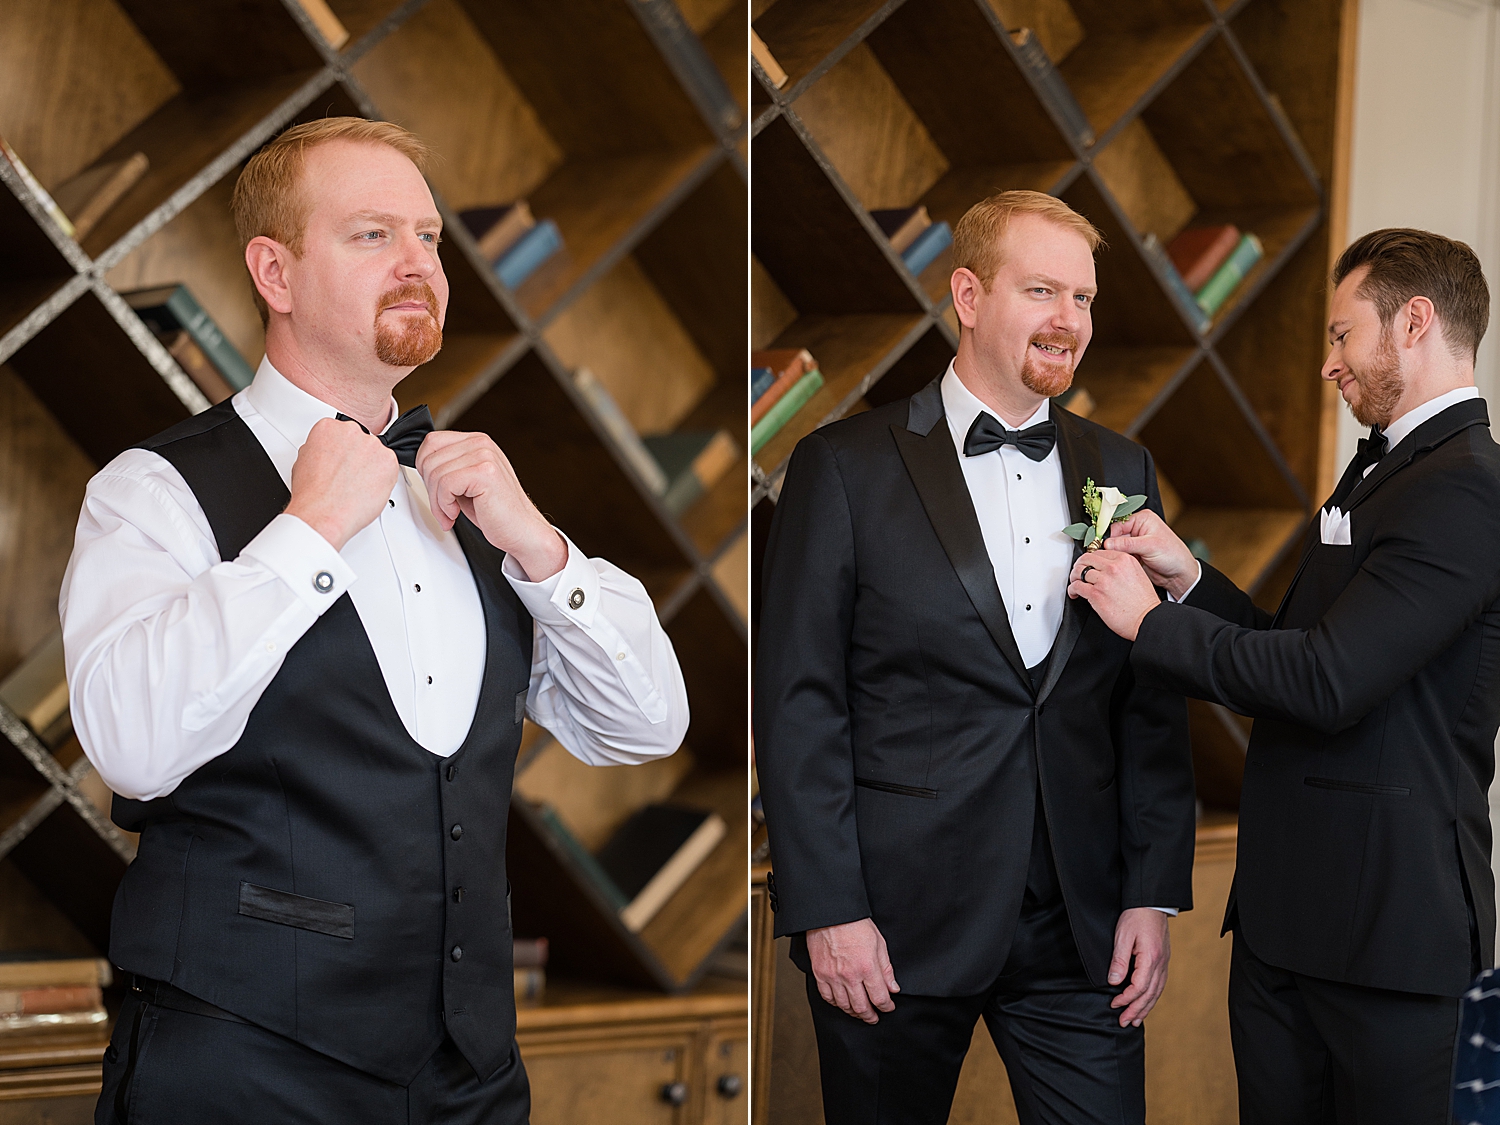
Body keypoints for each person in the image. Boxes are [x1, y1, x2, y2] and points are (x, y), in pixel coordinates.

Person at [62, 117, 689, 1124]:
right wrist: (308, 529)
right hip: (241, 1065)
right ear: (276, 271)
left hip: (470, 1076)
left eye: (431, 238)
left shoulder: (477, 504)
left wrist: (543, 550)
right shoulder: (152, 491)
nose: (419, 264)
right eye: (371, 236)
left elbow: (645, 726)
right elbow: (131, 750)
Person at [754, 190, 1197, 1125]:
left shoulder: (1124, 469)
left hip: (1079, 926)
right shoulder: (840, 466)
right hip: (892, 924)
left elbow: (1146, 701)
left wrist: (1151, 892)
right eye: (1042, 290)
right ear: (967, 293)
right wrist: (828, 910)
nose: (1068, 320)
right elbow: (798, 701)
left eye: (1082, 298)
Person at [1068, 227, 1499, 1124]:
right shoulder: (1387, 468)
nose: (1329, 363)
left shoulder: (1467, 487)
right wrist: (1186, 580)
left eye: (1344, 334)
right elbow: (1290, 644)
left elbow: (1328, 680)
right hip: (1287, 921)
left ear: (1414, 321)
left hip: (1383, 930)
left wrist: (1148, 625)